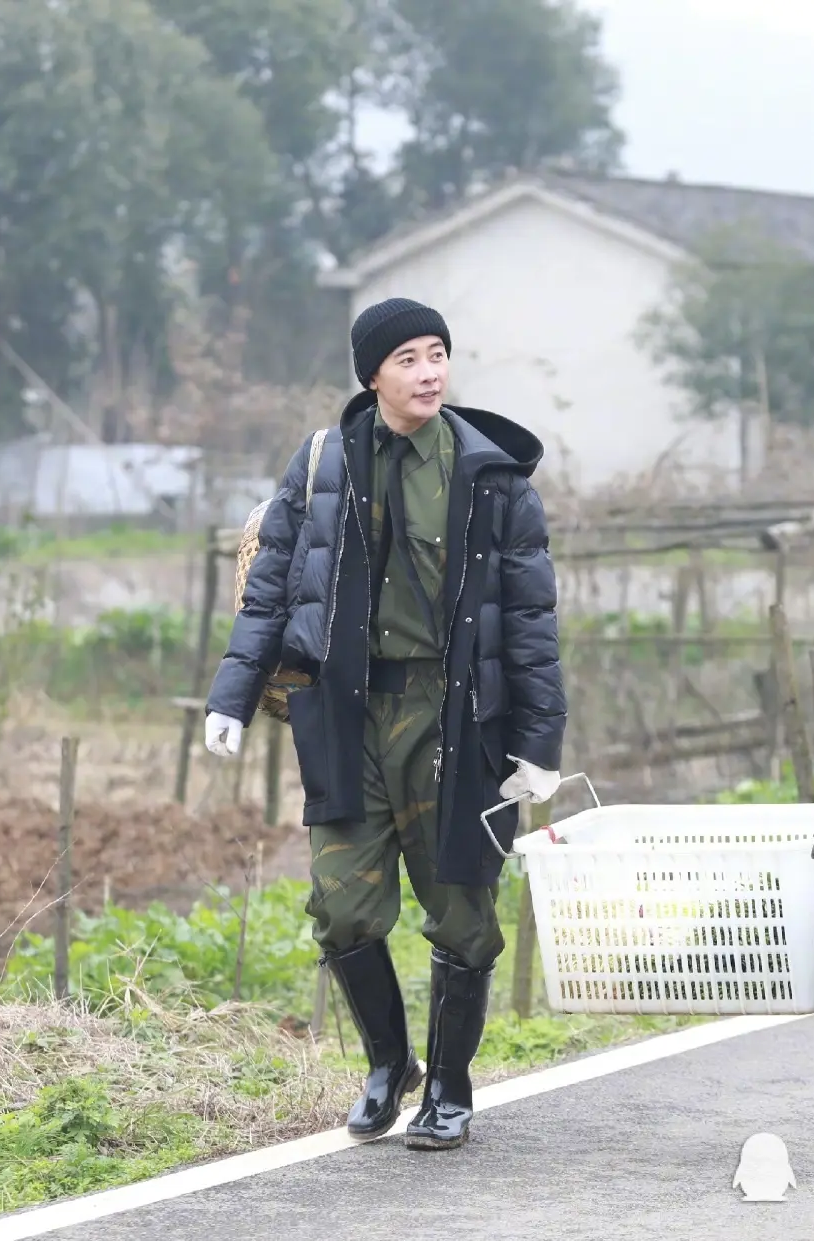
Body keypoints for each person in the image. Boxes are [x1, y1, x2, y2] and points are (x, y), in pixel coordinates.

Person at [201, 297, 566, 1151]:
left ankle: (449, 1084)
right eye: (408, 357)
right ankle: (387, 1065)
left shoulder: (493, 477)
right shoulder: (324, 461)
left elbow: (531, 623)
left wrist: (538, 745)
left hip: (454, 717)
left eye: (438, 353)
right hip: (348, 712)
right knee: (343, 907)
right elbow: (273, 583)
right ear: (373, 375)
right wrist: (231, 693)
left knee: (462, 911)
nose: (430, 370)